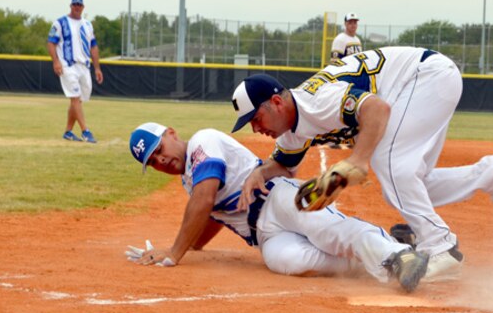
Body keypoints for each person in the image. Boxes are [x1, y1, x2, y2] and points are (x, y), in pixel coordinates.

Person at [231, 50, 493, 282]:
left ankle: (442, 248)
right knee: (407, 182)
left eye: (256, 119)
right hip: (425, 83)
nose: (256, 129)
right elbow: (283, 164)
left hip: (425, 78)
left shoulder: (317, 101)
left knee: (390, 164)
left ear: (277, 102)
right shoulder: (293, 130)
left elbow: (377, 109)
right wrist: (260, 171)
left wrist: (357, 160)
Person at [125, 122, 429, 293]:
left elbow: (205, 200)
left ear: (172, 133)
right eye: (151, 162)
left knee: (325, 230)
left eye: (159, 150)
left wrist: (174, 252)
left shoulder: (202, 142)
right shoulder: (189, 181)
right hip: (265, 235)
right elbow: (212, 214)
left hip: (277, 198)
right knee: (290, 261)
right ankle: (382, 255)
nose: (160, 160)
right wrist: (193, 246)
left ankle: (396, 254)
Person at [47, 0, 103, 143]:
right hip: (68, 65)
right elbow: (51, 43)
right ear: (70, 6)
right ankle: (86, 131)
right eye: (74, 5)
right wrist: (56, 62)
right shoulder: (60, 23)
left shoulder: (87, 25)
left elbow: (93, 46)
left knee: (78, 101)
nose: (77, 7)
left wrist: (97, 68)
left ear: (83, 7)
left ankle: (68, 132)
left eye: (79, 5)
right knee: (75, 98)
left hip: (84, 66)